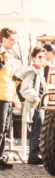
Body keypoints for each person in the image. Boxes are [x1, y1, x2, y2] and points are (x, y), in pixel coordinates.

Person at [19, 46, 47, 165]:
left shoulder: (40, 70)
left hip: (41, 105)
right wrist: (35, 99)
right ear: (33, 58)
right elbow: (25, 89)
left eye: (43, 57)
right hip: (36, 106)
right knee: (37, 131)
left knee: (39, 131)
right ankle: (33, 156)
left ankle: (36, 154)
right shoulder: (32, 71)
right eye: (39, 57)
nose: (42, 59)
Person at [0, 28, 21, 169]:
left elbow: (10, 79)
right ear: (4, 39)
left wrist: (15, 98)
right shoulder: (2, 55)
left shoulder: (8, 55)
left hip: (7, 96)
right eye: (12, 39)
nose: (14, 42)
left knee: (4, 129)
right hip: (0, 97)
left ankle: (0, 157)